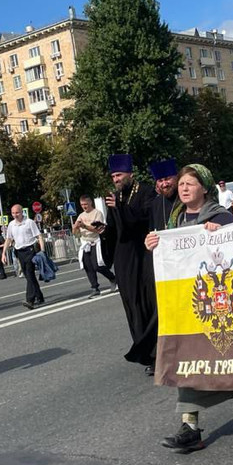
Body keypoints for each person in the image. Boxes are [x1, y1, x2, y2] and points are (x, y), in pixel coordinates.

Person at [145, 164, 233, 453]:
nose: (183, 188)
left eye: (190, 184)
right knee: (190, 361)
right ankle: (190, 427)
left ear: (205, 188)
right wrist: (155, 244)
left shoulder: (221, 216)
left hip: (225, 306)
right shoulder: (176, 220)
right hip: (192, 308)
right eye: (181, 184)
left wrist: (222, 233)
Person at [102, 153, 159, 372]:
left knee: (147, 302)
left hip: (143, 254)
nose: (116, 179)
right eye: (113, 176)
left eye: (119, 174)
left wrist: (121, 207)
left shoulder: (145, 192)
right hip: (124, 258)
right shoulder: (113, 197)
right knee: (132, 305)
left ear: (130, 174)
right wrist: (102, 231)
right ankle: (144, 352)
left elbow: (145, 220)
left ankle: (155, 352)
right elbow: (114, 229)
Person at [2, 203, 46, 308]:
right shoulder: (11, 225)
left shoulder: (29, 222)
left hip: (30, 250)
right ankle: (39, 296)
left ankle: (30, 300)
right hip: (19, 252)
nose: (15, 215)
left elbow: (39, 236)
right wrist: (3, 253)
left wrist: (42, 251)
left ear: (22, 212)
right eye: (13, 213)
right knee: (27, 275)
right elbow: (8, 239)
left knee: (30, 273)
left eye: (17, 212)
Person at [73, 195, 115, 298]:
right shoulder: (81, 216)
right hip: (85, 242)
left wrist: (84, 226)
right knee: (88, 266)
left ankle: (113, 278)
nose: (84, 207)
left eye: (86, 204)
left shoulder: (97, 213)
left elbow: (98, 229)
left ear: (90, 203)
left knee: (98, 265)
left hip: (96, 241)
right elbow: (75, 232)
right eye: (82, 205)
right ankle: (94, 287)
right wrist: (76, 228)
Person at [149, 159, 180, 231]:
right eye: (160, 181)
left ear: (176, 178)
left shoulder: (185, 198)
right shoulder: (155, 203)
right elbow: (152, 230)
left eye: (167, 179)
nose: (164, 184)